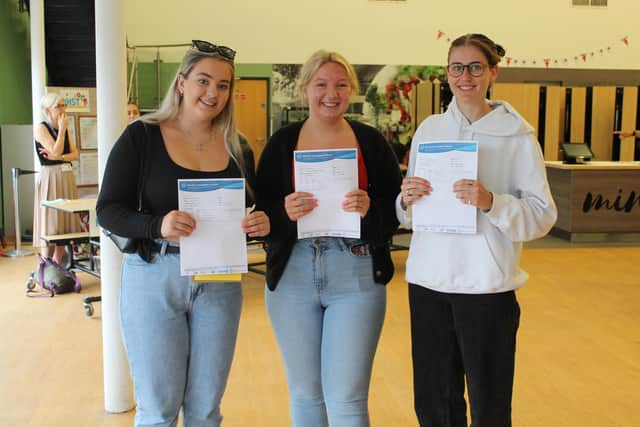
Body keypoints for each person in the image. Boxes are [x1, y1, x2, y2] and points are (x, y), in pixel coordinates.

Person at [96, 40, 270, 427]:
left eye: (223, 85)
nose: (212, 93)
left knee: (205, 410)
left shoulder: (238, 147)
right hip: (155, 275)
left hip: (219, 282)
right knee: (158, 410)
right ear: (181, 82)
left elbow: (251, 210)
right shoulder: (140, 137)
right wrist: (156, 225)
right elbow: (107, 210)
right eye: (203, 81)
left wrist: (261, 223)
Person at [397, 33, 558, 427]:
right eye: (456, 67)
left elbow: (542, 216)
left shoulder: (518, 136)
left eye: (474, 67)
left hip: (486, 286)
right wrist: (406, 200)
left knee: (489, 400)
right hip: (429, 283)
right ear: (446, 73)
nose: (464, 76)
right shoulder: (429, 130)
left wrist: (492, 202)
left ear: (492, 72)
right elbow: (408, 216)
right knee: (434, 400)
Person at [255, 50, 402, 427]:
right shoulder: (281, 143)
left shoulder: (370, 142)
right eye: (321, 84)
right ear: (305, 89)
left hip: (356, 270)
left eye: (340, 85)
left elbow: (396, 209)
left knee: (348, 398)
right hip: (293, 273)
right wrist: (281, 213)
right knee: (305, 393)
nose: (330, 93)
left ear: (351, 89)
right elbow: (261, 214)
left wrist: (370, 208)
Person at [33, 92, 82, 266]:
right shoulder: (41, 128)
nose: (63, 109)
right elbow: (57, 149)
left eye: (64, 105)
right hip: (50, 176)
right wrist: (61, 131)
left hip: (66, 175)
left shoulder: (66, 129)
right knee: (51, 222)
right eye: (59, 106)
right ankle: (45, 265)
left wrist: (60, 157)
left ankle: (59, 263)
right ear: (48, 110)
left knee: (64, 222)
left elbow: (74, 154)